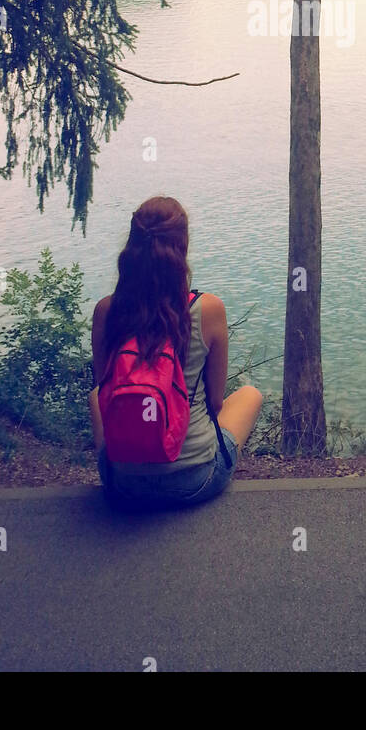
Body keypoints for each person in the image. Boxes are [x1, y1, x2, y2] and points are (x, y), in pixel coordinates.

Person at [89, 196, 262, 510]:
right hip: (194, 479)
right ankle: (187, 455)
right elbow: (215, 402)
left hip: (122, 484)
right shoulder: (207, 309)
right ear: (182, 247)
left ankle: (130, 462)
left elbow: (105, 388)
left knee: (94, 395)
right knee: (250, 395)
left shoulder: (106, 311)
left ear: (132, 247)